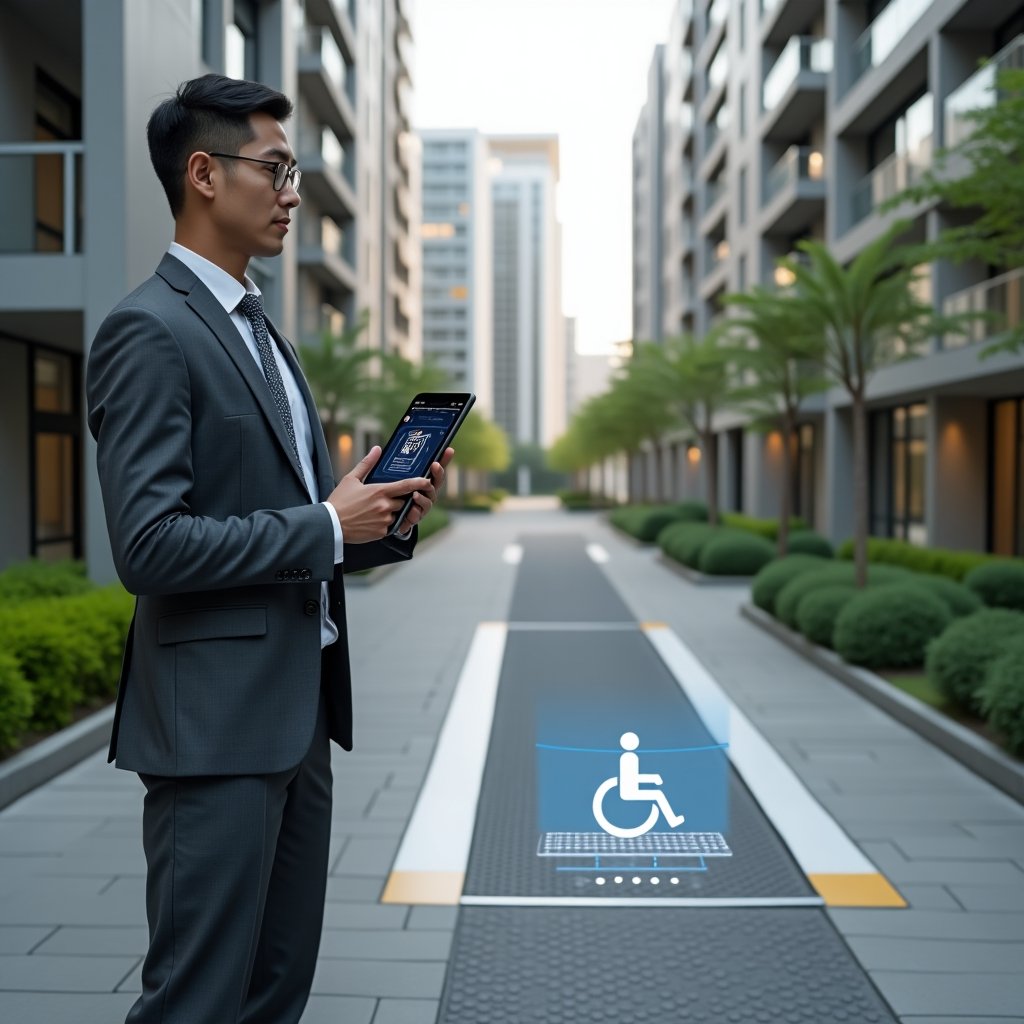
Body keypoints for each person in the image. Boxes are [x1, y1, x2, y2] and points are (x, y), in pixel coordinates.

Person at [85, 73, 451, 1024]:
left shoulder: (264, 334)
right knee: (198, 1001)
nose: (293, 192)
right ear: (203, 174)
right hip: (214, 733)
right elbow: (151, 546)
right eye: (276, 169)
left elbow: (289, 521)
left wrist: (372, 519)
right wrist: (328, 523)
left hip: (298, 718)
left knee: (276, 991)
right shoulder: (148, 331)